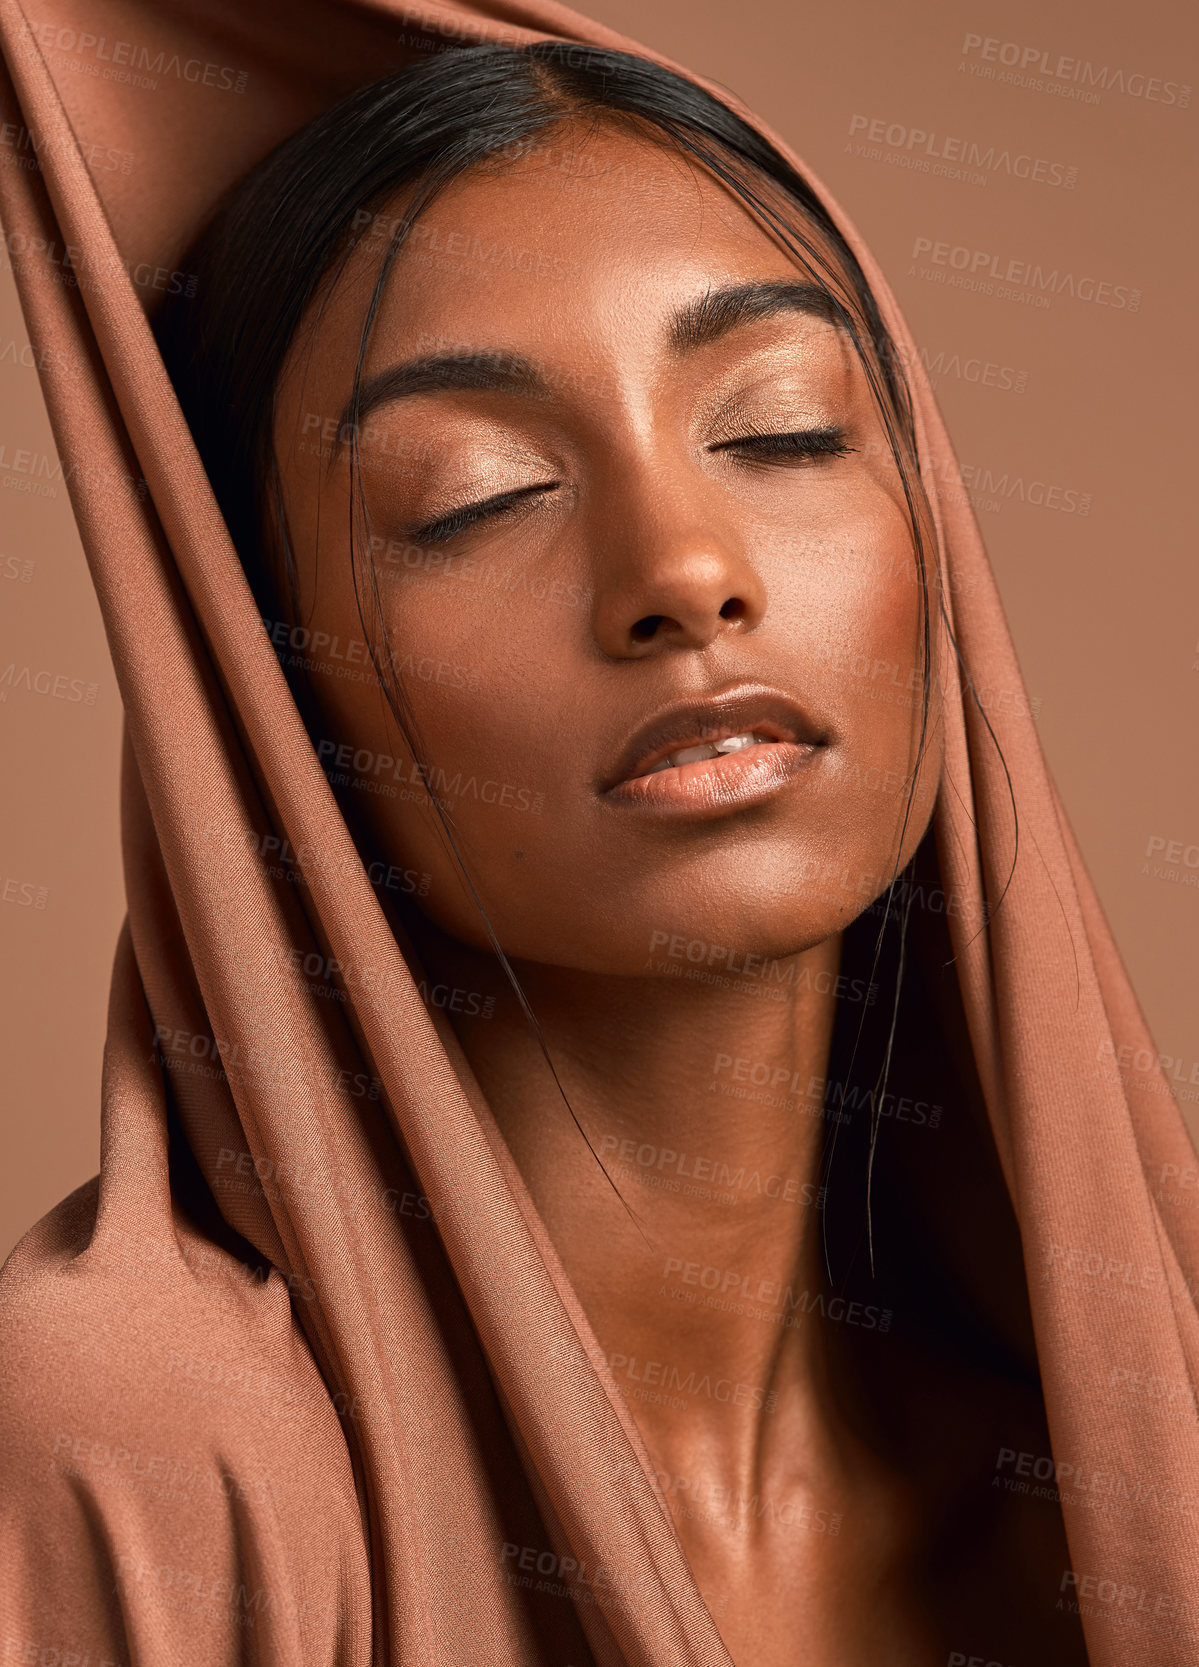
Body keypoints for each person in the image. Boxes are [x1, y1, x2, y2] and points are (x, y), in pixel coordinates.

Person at [2, 24, 1194, 1667]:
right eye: (479, 495)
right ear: (266, 694)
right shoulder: (150, 1447)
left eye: (778, 430)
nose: (685, 569)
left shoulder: (1139, 1450)